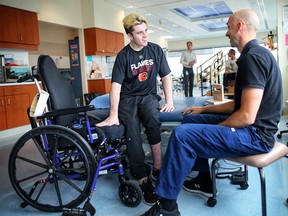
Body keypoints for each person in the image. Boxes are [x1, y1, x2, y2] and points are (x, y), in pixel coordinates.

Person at [141, 9, 282, 216]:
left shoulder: (253, 58)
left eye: (228, 26)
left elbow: (246, 116)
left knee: (182, 135)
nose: (226, 32)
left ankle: (166, 208)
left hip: (256, 136)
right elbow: (238, 106)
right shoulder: (254, 55)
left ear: (239, 26)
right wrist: (203, 109)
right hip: (253, 129)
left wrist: (213, 129)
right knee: (190, 120)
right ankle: (204, 180)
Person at [96, 13, 174, 205]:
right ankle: (142, 177)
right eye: (140, 33)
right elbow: (116, 86)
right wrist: (113, 114)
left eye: (146, 31)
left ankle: (157, 166)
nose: (145, 35)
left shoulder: (155, 50)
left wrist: (169, 100)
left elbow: (166, 76)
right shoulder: (123, 56)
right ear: (130, 36)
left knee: (152, 120)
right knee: (131, 128)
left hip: (148, 96)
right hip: (128, 99)